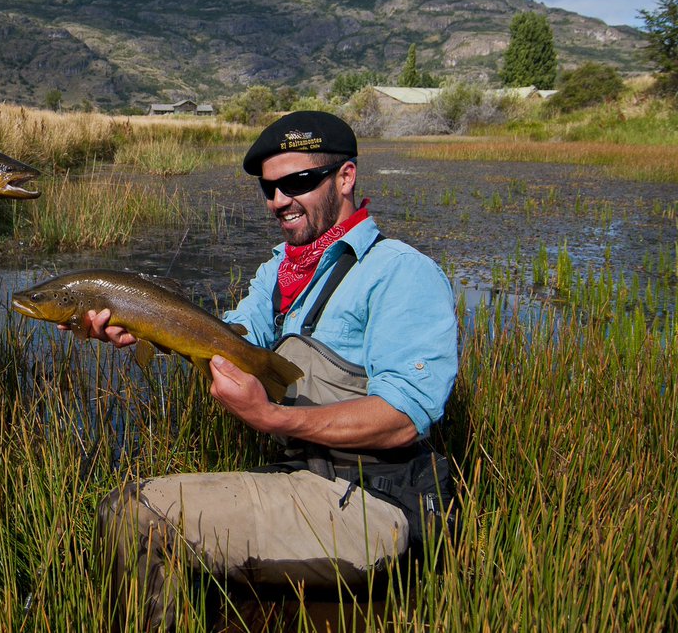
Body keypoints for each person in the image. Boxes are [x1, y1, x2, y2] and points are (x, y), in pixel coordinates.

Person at [76, 111, 458, 628]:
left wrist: (273, 420)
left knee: (133, 515)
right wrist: (145, 328)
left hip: (377, 504)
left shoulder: (400, 273)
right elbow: (227, 342)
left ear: (345, 178)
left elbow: (404, 418)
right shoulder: (278, 273)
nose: (280, 200)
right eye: (269, 187)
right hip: (301, 481)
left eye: (298, 182)